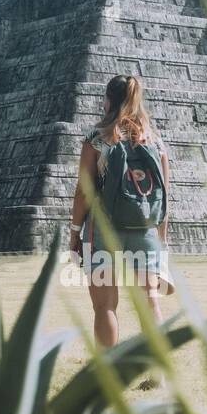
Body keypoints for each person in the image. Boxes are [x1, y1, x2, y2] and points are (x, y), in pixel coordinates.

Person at [69, 74, 171, 347]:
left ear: (108, 101)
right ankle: (159, 370)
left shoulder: (98, 139)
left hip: (103, 232)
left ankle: (110, 371)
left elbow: (84, 193)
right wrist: (161, 241)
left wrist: (74, 233)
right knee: (150, 301)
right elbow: (164, 199)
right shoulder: (156, 142)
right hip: (145, 231)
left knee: (105, 306)